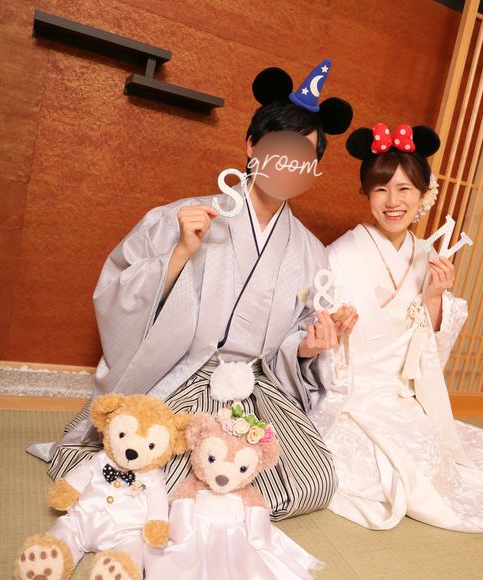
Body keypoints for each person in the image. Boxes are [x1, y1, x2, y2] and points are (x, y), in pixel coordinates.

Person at [28, 60, 354, 521]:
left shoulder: (310, 251)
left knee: (312, 480)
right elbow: (119, 290)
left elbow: (295, 333)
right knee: (158, 464)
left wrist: (308, 346)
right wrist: (179, 253)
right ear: (251, 145)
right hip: (186, 372)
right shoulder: (185, 217)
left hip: (258, 387)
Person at [311, 122, 483, 532]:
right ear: (366, 194)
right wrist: (333, 332)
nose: (393, 201)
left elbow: (432, 349)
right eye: (381, 189)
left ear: (423, 194)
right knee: (368, 470)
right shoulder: (339, 254)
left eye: (404, 189)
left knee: (430, 463)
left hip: (401, 393)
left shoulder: (426, 254)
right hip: (351, 393)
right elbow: (315, 331)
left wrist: (433, 298)